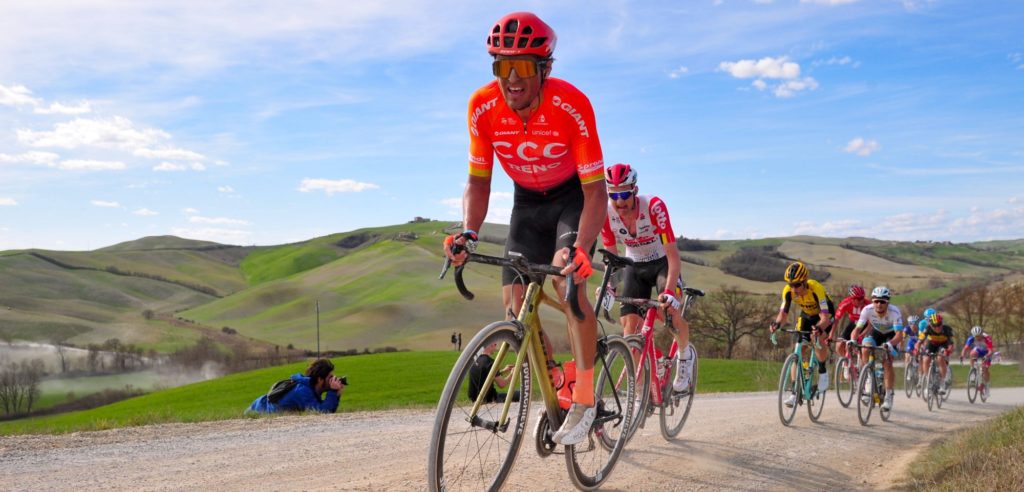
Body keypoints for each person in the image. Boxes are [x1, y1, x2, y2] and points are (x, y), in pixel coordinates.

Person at [443, 11, 606, 446]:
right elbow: (479, 181)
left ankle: (586, 397)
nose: (511, 78)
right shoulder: (482, 106)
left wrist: (583, 247)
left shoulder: (572, 104)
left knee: (568, 284)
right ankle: (553, 377)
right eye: (501, 66)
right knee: (514, 304)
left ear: (545, 69)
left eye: (523, 67)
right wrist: (469, 232)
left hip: (573, 198)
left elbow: (596, 193)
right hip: (526, 203)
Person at [598, 163, 692, 392]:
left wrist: (669, 290)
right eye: (613, 195)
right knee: (629, 329)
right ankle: (638, 392)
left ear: (635, 190)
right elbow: (612, 259)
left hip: (662, 263)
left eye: (624, 194)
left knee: (669, 311)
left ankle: (684, 356)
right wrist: (608, 287)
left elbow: (673, 256)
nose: (619, 201)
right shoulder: (605, 214)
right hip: (634, 266)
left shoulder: (653, 207)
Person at [769, 261, 834, 408]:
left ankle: (823, 370)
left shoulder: (816, 289)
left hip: (825, 314)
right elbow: (783, 314)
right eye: (791, 284)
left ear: (805, 282)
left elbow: (824, 318)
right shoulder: (788, 291)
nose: (793, 288)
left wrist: (819, 329)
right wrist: (776, 324)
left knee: (816, 337)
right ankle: (794, 391)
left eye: (797, 285)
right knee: (799, 349)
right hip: (807, 315)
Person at [850, 287, 904, 411]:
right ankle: (869, 379)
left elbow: (899, 335)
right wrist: (853, 340)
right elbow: (857, 329)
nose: (879, 304)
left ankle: (889, 396)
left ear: (888, 302)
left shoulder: (894, 312)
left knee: (887, 362)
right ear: (873, 301)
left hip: (891, 336)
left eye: (882, 301)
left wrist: (890, 344)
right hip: (876, 332)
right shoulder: (867, 310)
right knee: (865, 348)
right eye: (876, 301)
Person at [247, 358, 344, 414]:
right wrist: (332, 392)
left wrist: (337, 394)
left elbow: (327, 411)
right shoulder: (303, 391)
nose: (333, 379)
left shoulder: (311, 389)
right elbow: (322, 412)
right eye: (330, 377)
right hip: (257, 411)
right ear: (319, 379)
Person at [831, 284, 871, 378]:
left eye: (862, 298)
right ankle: (846, 363)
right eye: (858, 299)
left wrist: (862, 334)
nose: (861, 301)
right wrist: (830, 335)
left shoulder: (868, 304)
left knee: (864, 349)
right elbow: (836, 319)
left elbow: (871, 324)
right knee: (839, 345)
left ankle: (865, 372)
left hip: (865, 325)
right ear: (852, 299)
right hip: (853, 324)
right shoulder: (846, 303)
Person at [920, 312, 955, 397]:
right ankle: (928, 381)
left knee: (940, 358)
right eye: (934, 325)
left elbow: (951, 344)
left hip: (943, 344)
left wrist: (948, 350)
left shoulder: (947, 329)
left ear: (942, 323)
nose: (937, 327)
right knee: (926, 359)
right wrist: (917, 348)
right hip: (931, 344)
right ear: (930, 325)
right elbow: (919, 341)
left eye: (939, 324)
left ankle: (942, 383)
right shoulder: (927, 329)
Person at [961, 325, 995, 398]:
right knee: (972, 353)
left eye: (979, 336)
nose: (978, 338)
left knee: (985, 369)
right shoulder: (971, 338)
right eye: (976, 337)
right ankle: (972, 370)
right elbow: (965, 348)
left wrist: (986, 356)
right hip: (979, 350)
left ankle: (987, 389)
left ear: (982, 334)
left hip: (987, 352)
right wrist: (962, 355)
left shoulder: (987, 338)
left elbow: (991, 351)